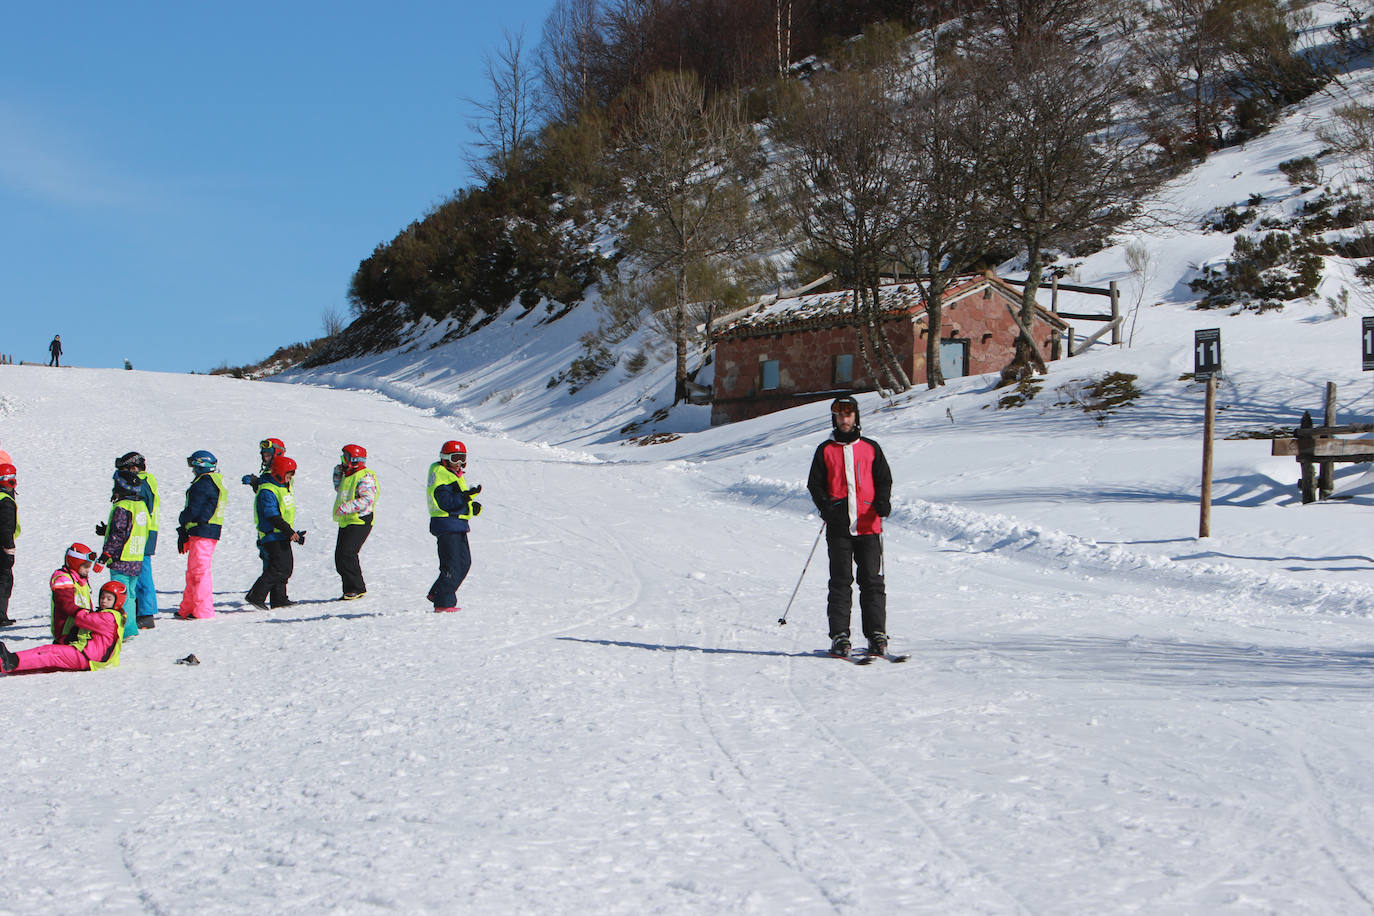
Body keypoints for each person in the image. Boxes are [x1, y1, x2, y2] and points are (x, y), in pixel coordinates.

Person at [807, 395, 893, 659]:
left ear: (856, 417)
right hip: (840, 528)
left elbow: (884, 479)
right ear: (835, 418)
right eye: (840, 415)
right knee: (841, 582)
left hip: (869, 525)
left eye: (849, 414)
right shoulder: (825, 450)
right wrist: (826, 507)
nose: (844, 420)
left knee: (872, 582)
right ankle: (840, 636)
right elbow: (815, 484)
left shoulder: (871, 448)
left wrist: (882, 503)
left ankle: (876, 634)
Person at [0, 579, 126, 675]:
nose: (104, 601)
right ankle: (10, 663)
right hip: (89, 656)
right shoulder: (109, 615)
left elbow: (84, 619)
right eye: (102, 597)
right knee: (49, 659)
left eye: (109, 599)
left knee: (50, 652)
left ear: (117, 601)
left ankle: (12, 661)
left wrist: (73, 608)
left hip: (88, 657)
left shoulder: (110, 617)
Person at [426, 440, 482, 613]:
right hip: (446, 525)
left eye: (462, 459)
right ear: (445, 458)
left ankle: (438, 592)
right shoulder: (441, 475)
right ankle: (443, 602)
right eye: (455, 458)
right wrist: (465, 498)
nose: (459, 463)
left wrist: (473, 507)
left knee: (465, 563)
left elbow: (458, 504)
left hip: (457, 525)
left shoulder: (455, 475)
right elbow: (446, 503)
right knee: (453, 565)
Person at [245, 455, 303, 610]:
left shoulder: (282, 486)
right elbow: (272, 515)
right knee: (279, 568)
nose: (290, 478)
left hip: (281, 534)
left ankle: (279, 599)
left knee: (285, 567)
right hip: (272, 534)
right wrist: (289, 531)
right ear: (279, 472)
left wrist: (292, 532)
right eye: (288, 474)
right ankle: (255, 596)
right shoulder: (267, 490)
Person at [98, 469, 149, 640]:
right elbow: (131, 529)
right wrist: (106, 530)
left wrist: (105, 555)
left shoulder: (122, 506)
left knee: (120, 596)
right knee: (131, 594)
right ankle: (132, 627)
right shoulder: (141, 505)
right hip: (136, 557)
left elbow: (118, 534)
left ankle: (124, 630)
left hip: (121, 559)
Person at [176, 450, 226, 619]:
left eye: (194, 466)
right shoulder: (211, 481)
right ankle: (188, 607)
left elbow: (194, 509)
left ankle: (203, 610)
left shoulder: (204, 483)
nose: (192, 470)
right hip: (203, 531)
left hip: (203, 531)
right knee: (193, 571)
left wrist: (183, 519)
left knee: (199, 572)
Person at [113, 452, 160, 629]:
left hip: (142, 533)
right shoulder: (143, 481)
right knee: (139, 572)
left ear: (133, 469)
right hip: (140, 531)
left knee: (142, 574)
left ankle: (147, 613)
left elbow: (140, 508)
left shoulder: (142, 483)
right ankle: (141, 609)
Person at [332, 444, 378, 599]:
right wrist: (338, 474)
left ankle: (356, 588)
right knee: (340, 556)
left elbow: (367, 499)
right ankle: (349, 588)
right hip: (348, 520)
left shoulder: (365, 476)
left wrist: (347, 507)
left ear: (354, 460)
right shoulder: (348, 474)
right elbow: (340, 489)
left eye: (345, 458)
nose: (343, 461)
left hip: (360, 520)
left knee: (347, 553)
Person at [49, 543, 99, 643]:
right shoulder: (63, 579)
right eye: (85, 567)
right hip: (66, 631)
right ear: (75, 563)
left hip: (80, 627)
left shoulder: (81, 579)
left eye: (89, 567)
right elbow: (65, 603)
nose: (88, 570)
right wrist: (82, 613)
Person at [0, 464, 16, 627]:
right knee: (5, 579)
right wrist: (9, 547)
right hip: (2, 546)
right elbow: (6, 527)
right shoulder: (6, 501)